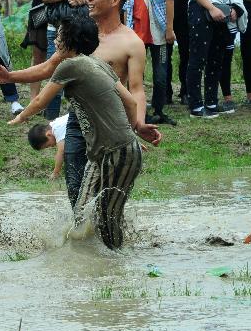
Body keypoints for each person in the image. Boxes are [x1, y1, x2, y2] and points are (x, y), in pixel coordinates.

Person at [0, 0, 154, 211]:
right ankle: (83, 235)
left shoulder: (131, 43)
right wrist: (10, 77)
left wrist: (136, 126)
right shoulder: (79, 32)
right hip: (77, 121)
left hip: (109, 123)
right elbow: (47, 67)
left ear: (115, 0)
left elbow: (136, 91)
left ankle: (103, 233)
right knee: (76, 186)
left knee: (108, 192)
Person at [9, 17, 157, 249]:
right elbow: (129, 101)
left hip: (117, 153)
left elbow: (39, 100)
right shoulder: (99, 63)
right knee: (83, 214)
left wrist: (21, 116)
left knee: (108, 218)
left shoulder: (70, 65)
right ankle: (88, 257)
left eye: (59, 35)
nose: (56, 39)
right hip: (106, 153)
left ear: (68, 42)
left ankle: (115, 265)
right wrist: (131, 133)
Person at [36, 0, 92, 119]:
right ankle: (51, 122)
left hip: (81, 31)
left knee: (83, 78)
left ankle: (82, 120)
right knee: (56, 78)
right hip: (57, 32)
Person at [124, 0, 176, 125]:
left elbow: (169, 0)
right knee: (136, 77)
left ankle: (159, 110)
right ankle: (139, 112)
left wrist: (169, 29)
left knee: (161, 75)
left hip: (159, 35)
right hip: (136, 39)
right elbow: (125, 12)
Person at [27, 114, 68, 180]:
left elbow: (61, 151)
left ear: (48, 134)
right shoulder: (56, 123)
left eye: (48, 145)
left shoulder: (57, 129)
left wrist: (55, 173)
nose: (51, 146)